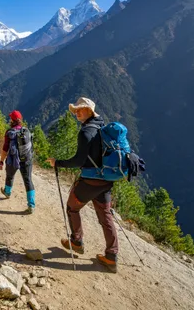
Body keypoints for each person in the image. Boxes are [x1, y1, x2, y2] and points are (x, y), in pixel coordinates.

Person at [47, 97, 119, 273]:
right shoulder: (103, 128)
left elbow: (79, 160)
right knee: (106, 216)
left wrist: (58, 163)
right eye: (76, 110)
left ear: (89, 111)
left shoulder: (86, 132)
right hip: (106, 181)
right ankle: (111, 257)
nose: (77, 112)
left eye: (81, 109)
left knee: (72, 208)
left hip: (90, 180)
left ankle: (76, 242)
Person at [0, 110, 35, 214]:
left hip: (13, 159)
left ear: (13, 120)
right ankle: (31, 205)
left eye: (11, 118)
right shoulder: (26, 131)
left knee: (10, 176)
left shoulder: (9, 132)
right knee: (28, 180)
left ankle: (7, 192)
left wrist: (1, 161)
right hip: (27, 159)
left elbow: (5, 149)